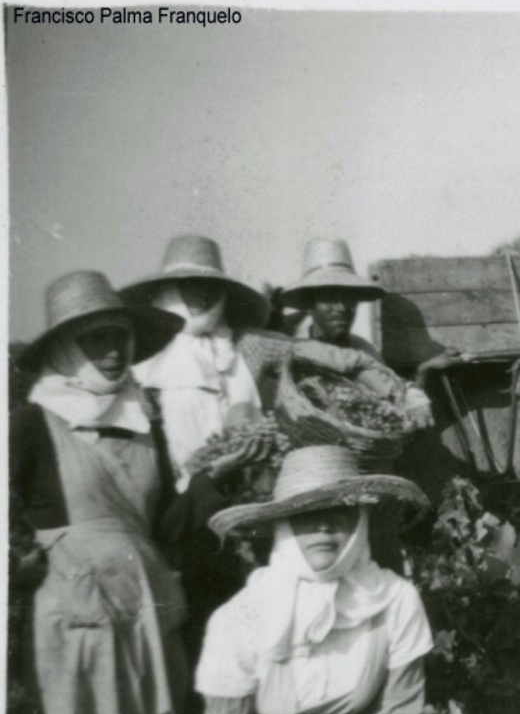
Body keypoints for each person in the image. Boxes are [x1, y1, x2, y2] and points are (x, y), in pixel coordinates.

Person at [121, 235, 407, 660]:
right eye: (189, 286)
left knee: (263, 624)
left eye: (210, 286)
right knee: (199, 629)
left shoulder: (247, 344)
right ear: (169, 292)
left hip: (251, 508)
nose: (202, 296)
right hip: (187, 514)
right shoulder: (145, 368)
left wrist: (400, 389)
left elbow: (332, 357)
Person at [9, 271, 189, 714]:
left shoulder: (143, 420)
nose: (113, 352)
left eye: (120, 337)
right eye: (96, 339)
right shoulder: (34, 422)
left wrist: (213, 481)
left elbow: (164, 521)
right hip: (76, 616)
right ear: (66, 348)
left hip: (145, 606)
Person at [190, 445, 434, 714]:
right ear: (283, 526)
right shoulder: (240, 617)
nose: (324, 527)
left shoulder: (395, 600)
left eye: (339, 510)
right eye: (306, 514)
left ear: (360, 519)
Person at [280, 237, 464, 420]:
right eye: (329, 298)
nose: (342, 308)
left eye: (349, 298)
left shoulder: (363, 350)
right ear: (309, 304)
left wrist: (425, 371)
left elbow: (396, 406)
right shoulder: (291, 352)